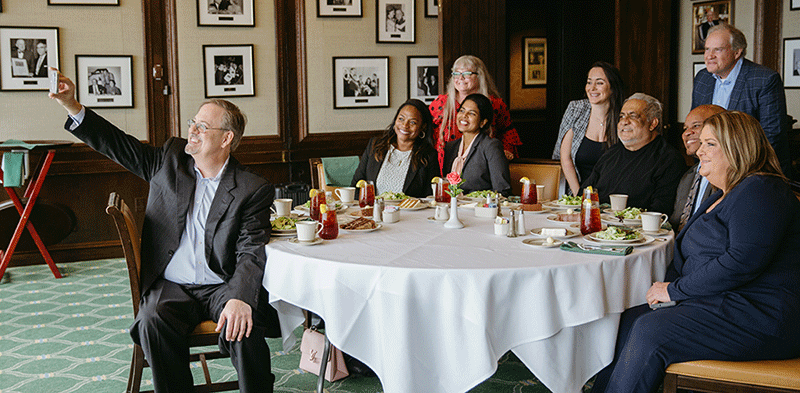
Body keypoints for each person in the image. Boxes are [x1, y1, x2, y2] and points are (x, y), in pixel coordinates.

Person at [48, 68, 280, 392]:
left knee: (244, 321)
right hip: (172, 285)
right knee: (152, 320)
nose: (192, 130)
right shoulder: (169, 161)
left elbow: (251, 249)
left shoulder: (251, 188)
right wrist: (72, 105)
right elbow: (118, 145)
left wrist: (241, 298)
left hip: (221, 283)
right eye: (192, 123)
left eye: (202, 126)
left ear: (227, 138)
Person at [591, 111, 800, 393]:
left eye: (709, 143)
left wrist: (675, 291)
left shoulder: (761, 188)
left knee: (650, 331)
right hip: (722, 302)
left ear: (738, 147)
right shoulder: (722, 195)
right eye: (700, 143)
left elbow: (741, 262)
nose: (699, 150)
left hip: (761, 314)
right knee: (631, 317)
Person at [692, 24, 791, 178]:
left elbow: (772, 134)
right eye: (707, 49)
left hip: (753, 170)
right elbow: (696, 124)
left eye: (717, 50)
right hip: (711, 165)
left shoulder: (765, 79)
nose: (709, 55)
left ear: (737, 52)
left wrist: (733, 165)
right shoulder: (702, 78)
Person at [581, 93, 685, 215]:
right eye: (621, 116)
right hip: (597, 224)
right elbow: (585, 193)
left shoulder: (669, 159)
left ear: (652, 123)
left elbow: (659, 212)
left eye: (633, 116)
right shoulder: (611, 153)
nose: (624, 122)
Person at [429, 55, 522, 172]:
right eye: (456, 74)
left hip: (482, 167)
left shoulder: (495, 104)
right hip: (445, 166)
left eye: (467, 73)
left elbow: (508, 131)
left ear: (479, 76)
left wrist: (506, 151)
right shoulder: (441, 103)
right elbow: (427, 132)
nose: (460, 78)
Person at [552, 61, 625, 196]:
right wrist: (579, 195)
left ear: (613, 87)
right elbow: (565, 157)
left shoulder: (624, 115)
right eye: (589, 82)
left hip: (614, 195)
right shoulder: (576, 109)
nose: (592, 88)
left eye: (599, 83)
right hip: (577, 192)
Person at [351, 99, 438, 198]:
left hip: (409, 213)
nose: (405, 125)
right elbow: (357, 187)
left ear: (423, 127)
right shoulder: (375, 146)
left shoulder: (428, 156)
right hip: (374, 211)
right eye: (401, 119)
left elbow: (430, 198)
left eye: (412, 122)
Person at [668, 104, 725, 230]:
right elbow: (676, 220)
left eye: (696, 126)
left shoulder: (727, 177)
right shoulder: (688, 176)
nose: (687, 133)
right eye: (685, 128)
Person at [442, 94, 511, 196]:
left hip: (479, 208)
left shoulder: (491, 146)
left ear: (483, 122)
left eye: (472, 113)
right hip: (453, 207)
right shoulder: (451, 147)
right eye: (462, 110)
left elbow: (502, 190)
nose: (464, 116)